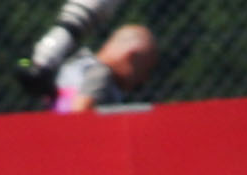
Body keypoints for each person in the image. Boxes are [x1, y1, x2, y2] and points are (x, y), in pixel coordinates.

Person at [23, 0, 159, 111]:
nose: (144, 79)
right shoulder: (101, 74)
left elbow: (24, 64)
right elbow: (81, 112)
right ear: (131, 56)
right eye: (146, 69)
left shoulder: (76, 63)